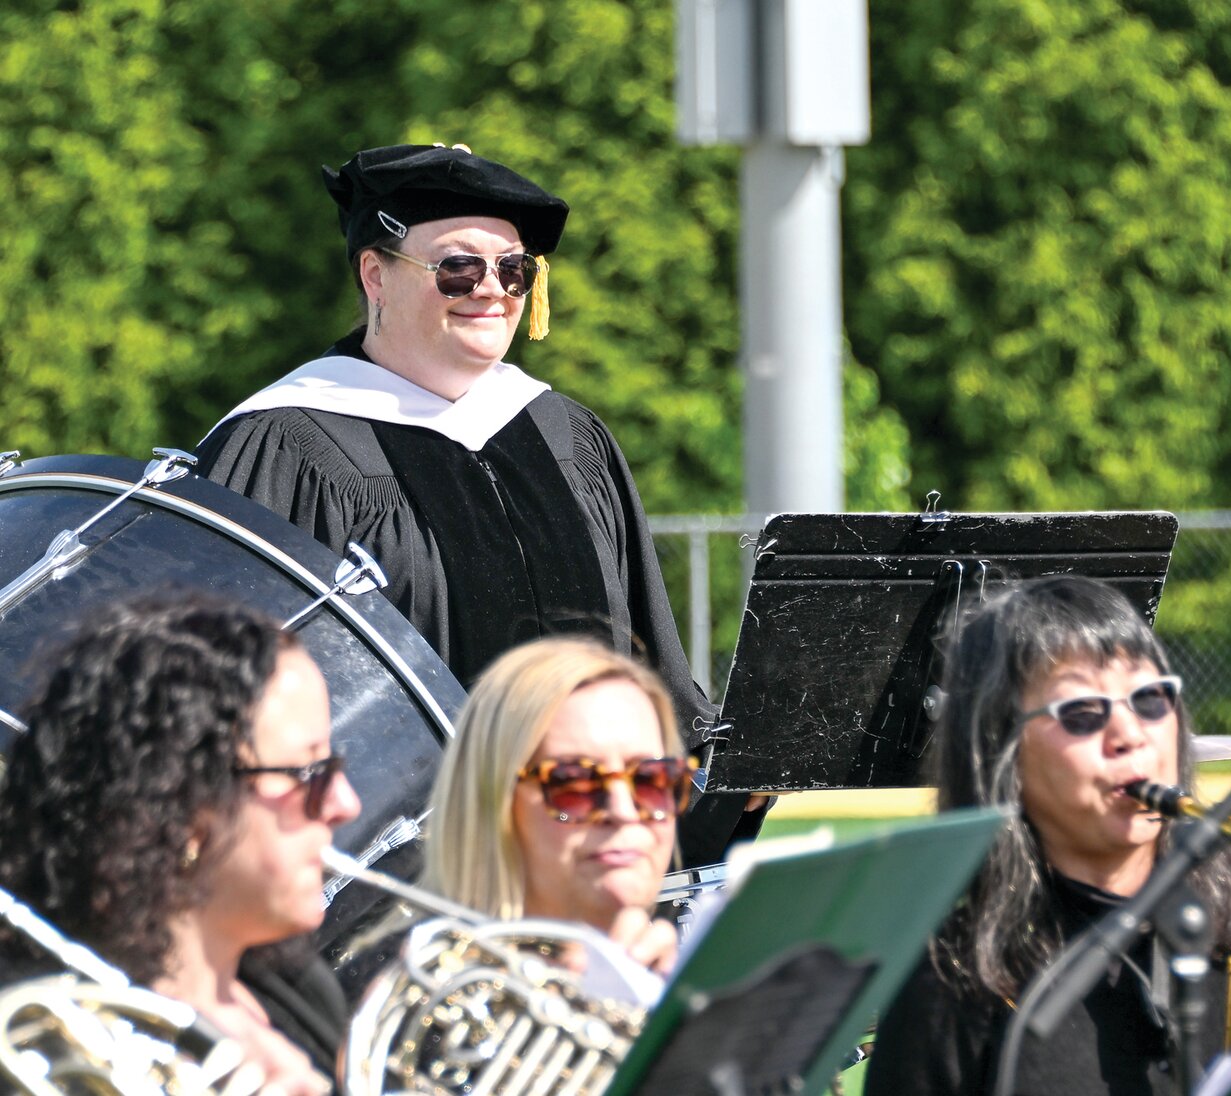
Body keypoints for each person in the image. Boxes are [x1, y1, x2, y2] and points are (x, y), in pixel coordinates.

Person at [194, 142, 750, 864]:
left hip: (591, 857)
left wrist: (727, 784)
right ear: (376, 276)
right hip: (389, 884)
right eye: (457, 267)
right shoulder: (284, 446)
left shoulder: (565, 435)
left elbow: (649, 663)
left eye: (514, 269)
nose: (492, 289)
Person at [865, 575, 1231, 1096]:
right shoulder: (948, 983)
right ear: (1004, 753)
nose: (1130, 735)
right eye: (1083, 713)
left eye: (1150, 698)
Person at [0, 592, 362, 1093]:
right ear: (183, 804)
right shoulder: (41, 1042)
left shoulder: (296, 988)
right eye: (309, 771)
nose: (345, 803)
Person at [343, 636, 688, 987]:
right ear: (493, 801)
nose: (623, 811)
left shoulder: (685, 988)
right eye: (574, 783)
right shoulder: (404, 987)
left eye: (650, 779)